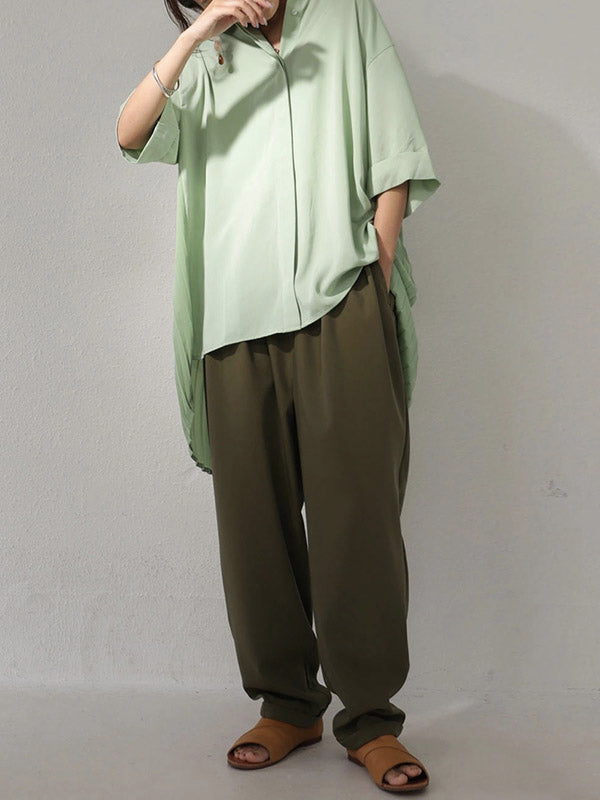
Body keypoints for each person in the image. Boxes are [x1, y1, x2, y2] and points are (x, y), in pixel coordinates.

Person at [116, 0, 441, 791]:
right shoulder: (207, 59)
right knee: (253, 524)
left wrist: (374, 270)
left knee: (358, 518)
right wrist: (198, 35)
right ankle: (288, 705)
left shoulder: (346, 15)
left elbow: (394, 151)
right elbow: (130, 131)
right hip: (234, 313)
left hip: (342, 300)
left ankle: (370, 719)